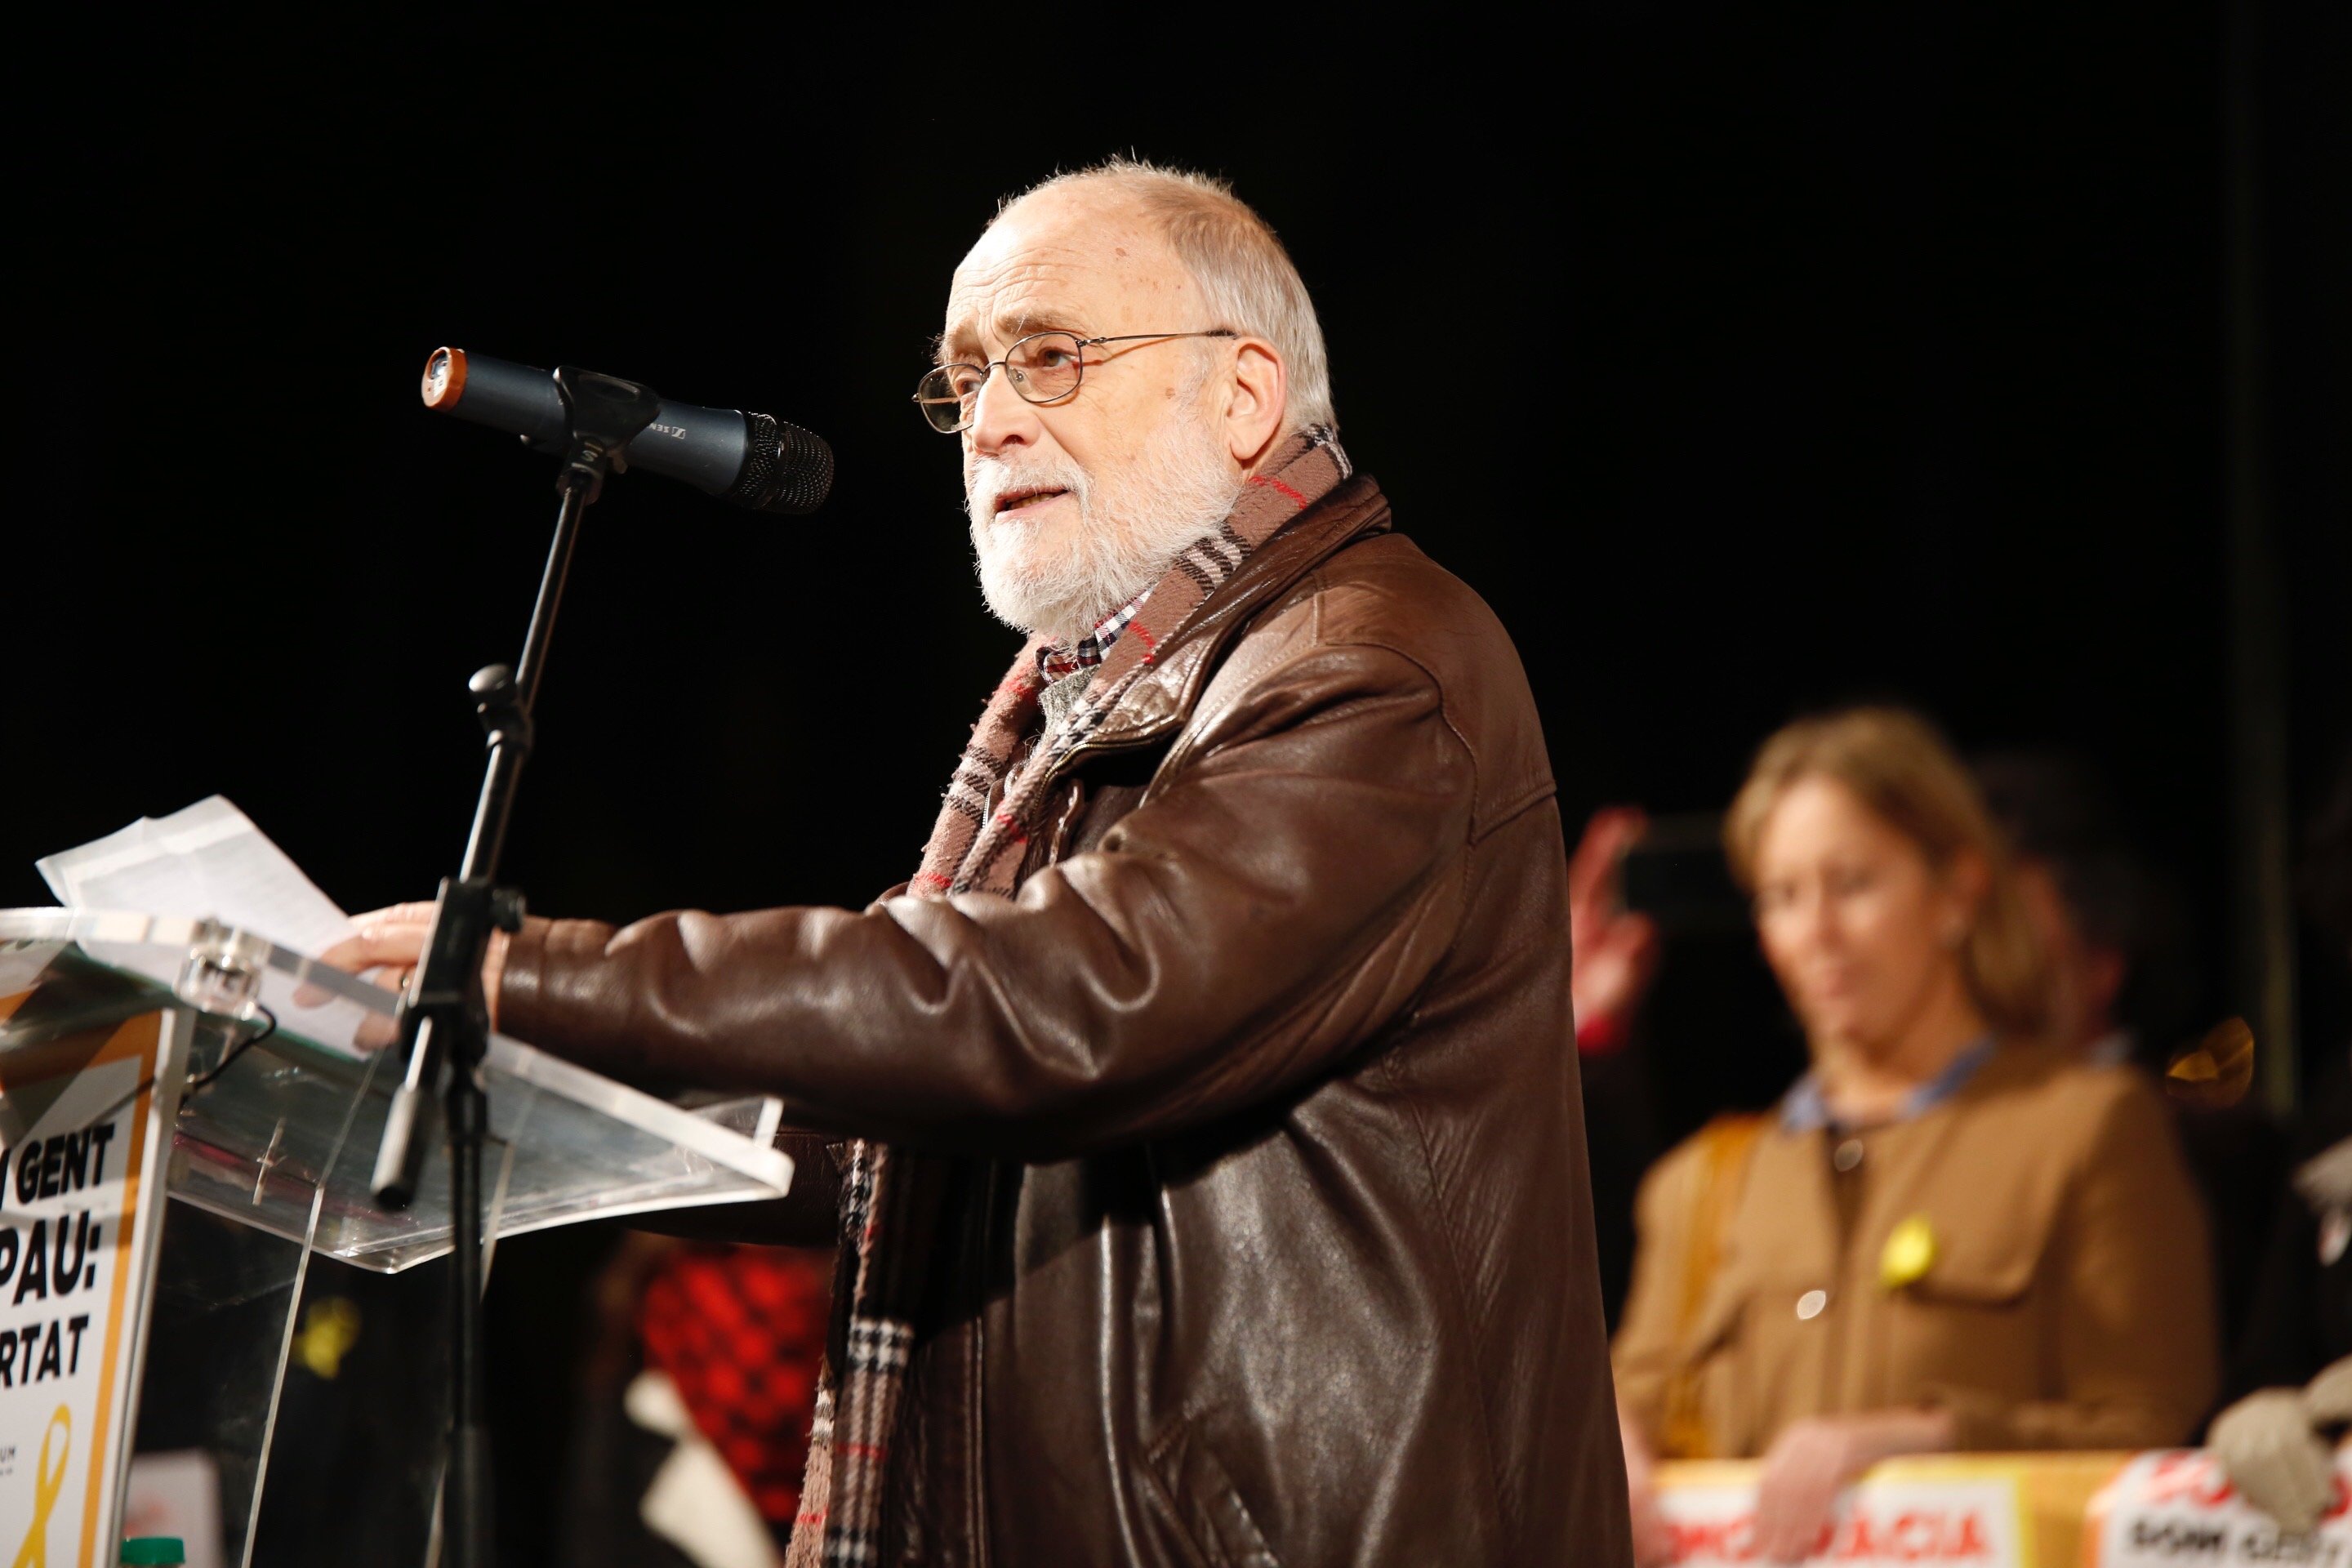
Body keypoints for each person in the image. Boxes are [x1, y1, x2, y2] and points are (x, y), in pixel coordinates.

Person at [327, 159, 1631, 1566]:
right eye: (968, 380)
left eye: (1052, 358)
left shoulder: (1370, 663)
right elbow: (876, 1133)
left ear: (1246, 398)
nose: (991, 420)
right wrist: (484, 1098)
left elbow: (1070, 997)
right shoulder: (1082, 721)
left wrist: (543, 976)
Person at [1609, 708, 2218, 1565]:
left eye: (1852, 883)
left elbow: (2160, 1431)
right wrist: (1607, 1446)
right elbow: (1629, 1399)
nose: (1815, 931)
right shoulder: (1700, 1184)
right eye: (1781, 896)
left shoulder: (2086, 1127)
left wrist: (1922, 1438)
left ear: (1957, 891)